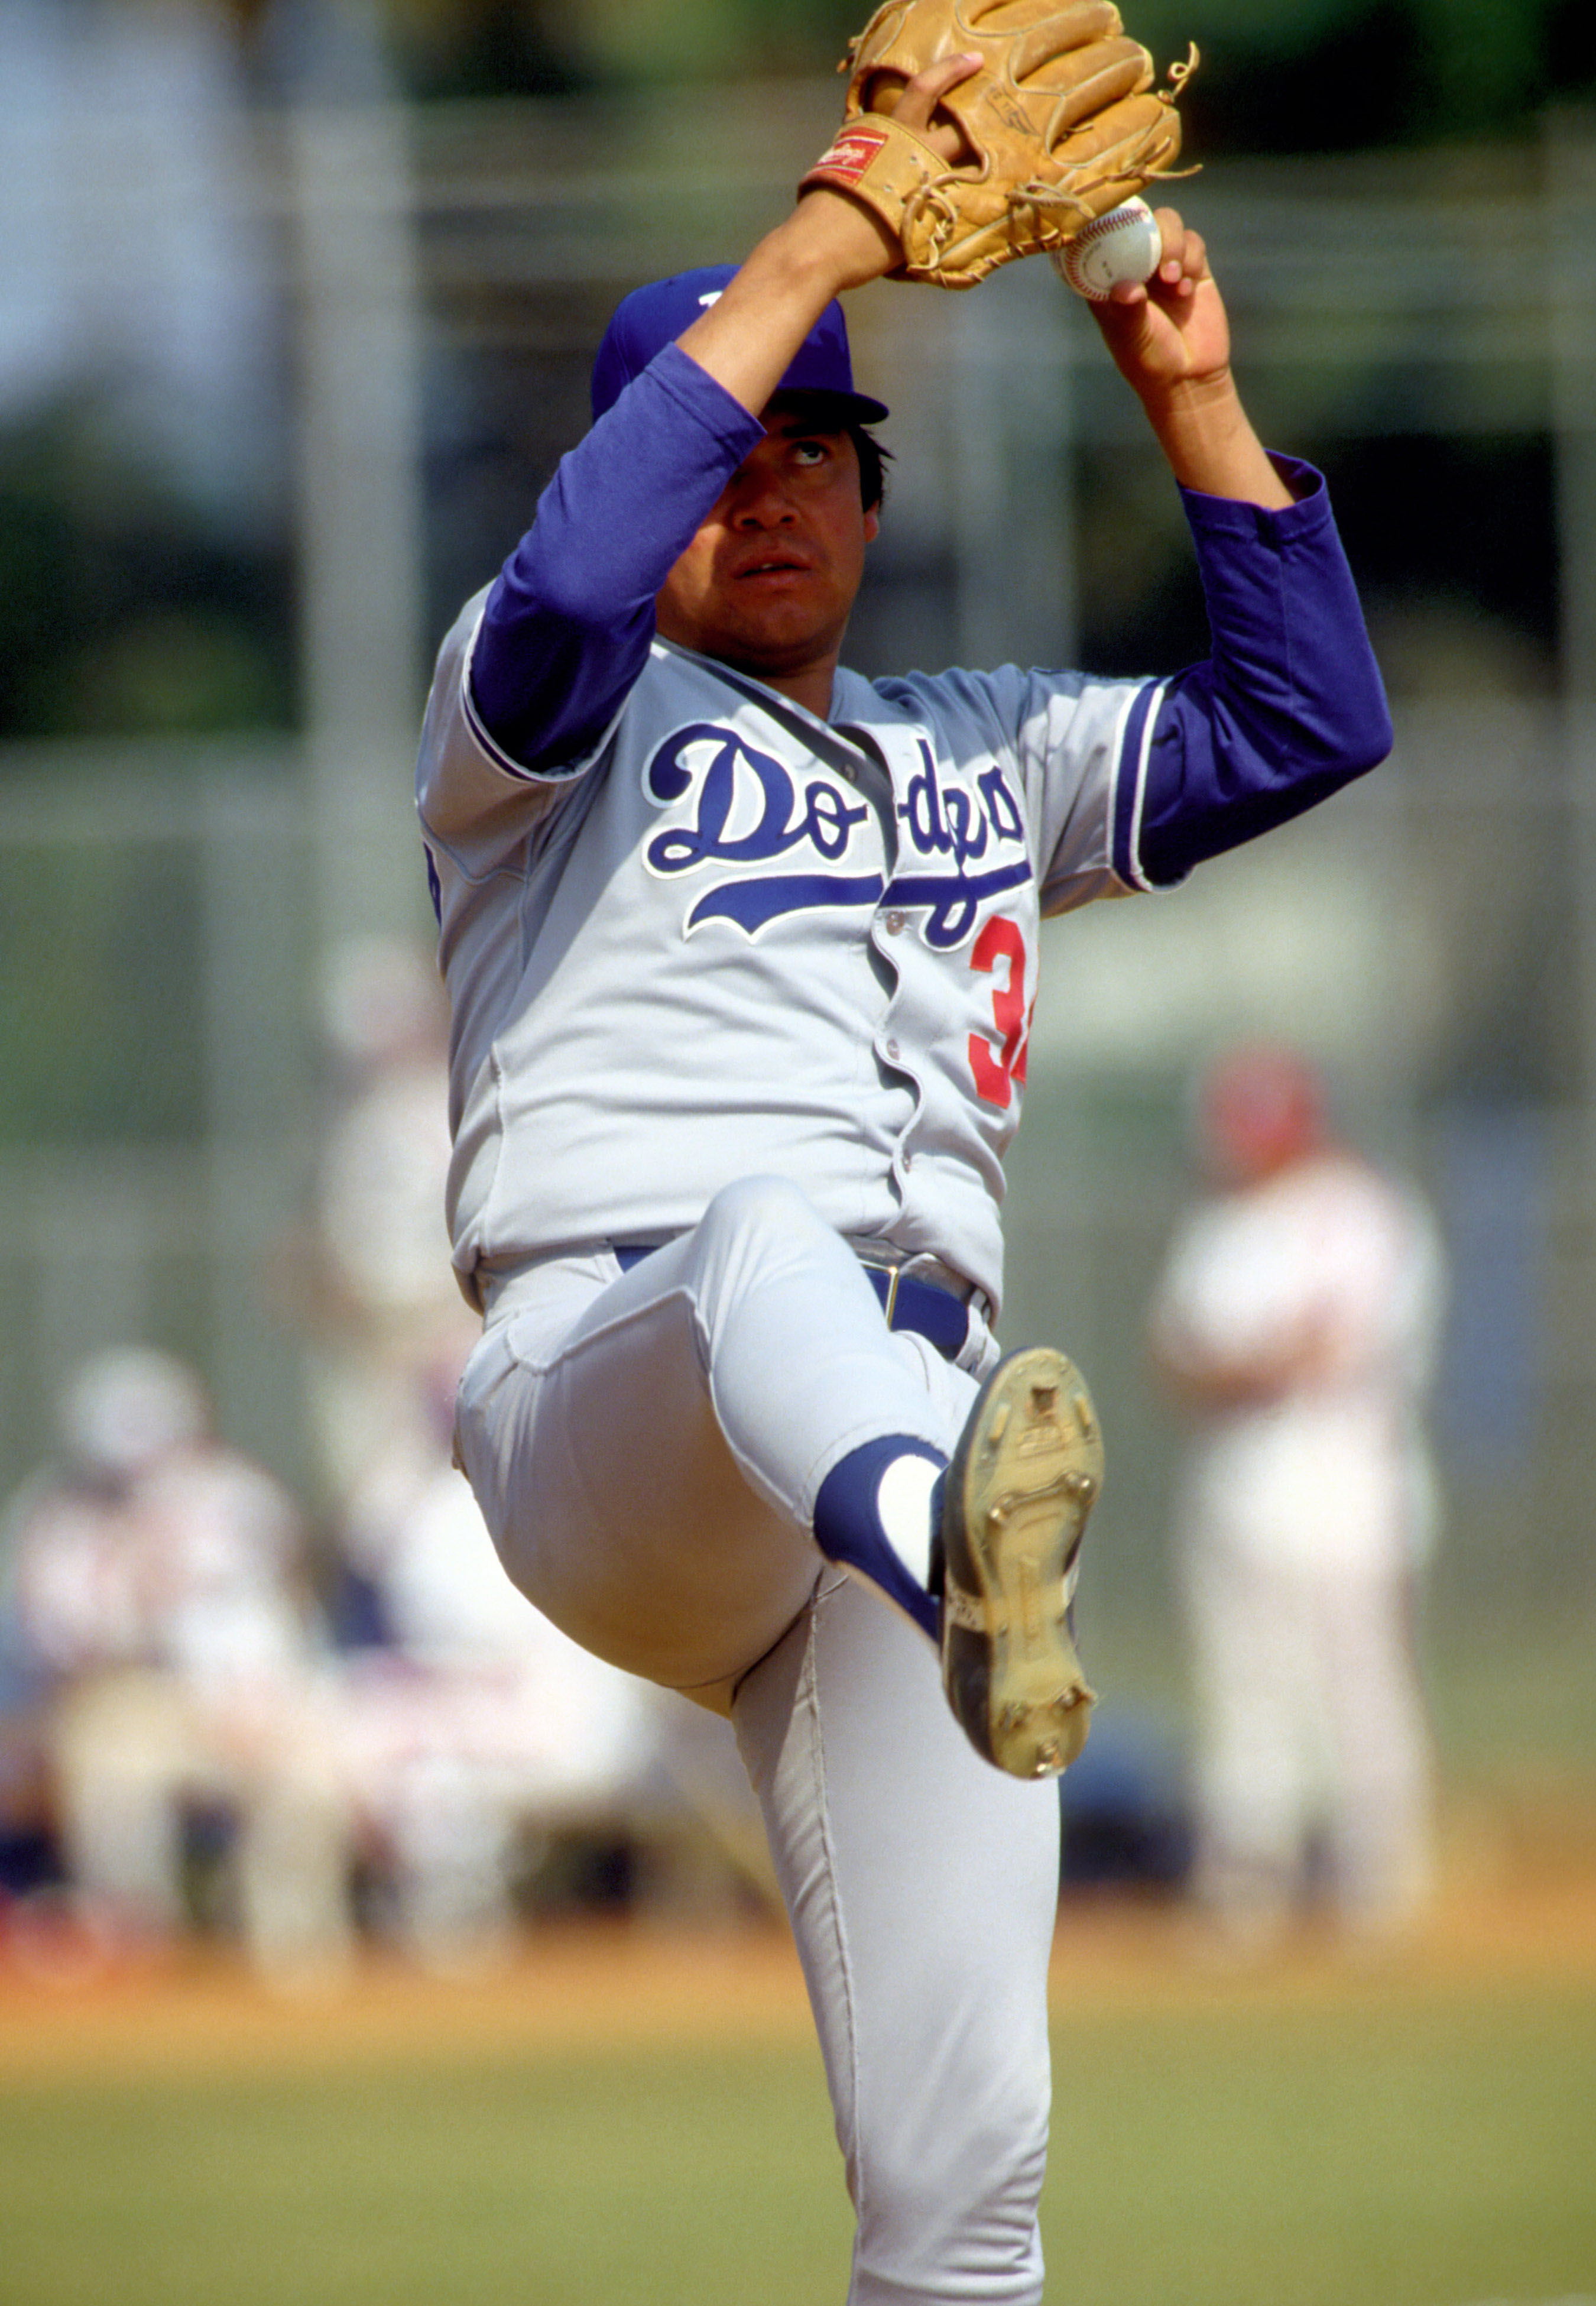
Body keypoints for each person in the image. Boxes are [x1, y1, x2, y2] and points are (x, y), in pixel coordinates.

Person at [416, 56, 1393, 2306]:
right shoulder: (538, 721)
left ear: (871, 497)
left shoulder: (986, 743)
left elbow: (1305, 719)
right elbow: (576, 564)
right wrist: (829, 238)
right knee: (772, 1234)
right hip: (618, 1398)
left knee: (965, 2189)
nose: (769, 499)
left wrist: (1193, 393)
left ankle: (949, 1553)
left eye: (816, 457)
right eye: (722, 456)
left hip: (899, 1491)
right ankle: (945, 1529)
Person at [1149, 1046, 1446, 1950]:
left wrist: (1242, 1361)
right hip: (1234, 1492)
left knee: (1359, 1692)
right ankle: (1246, 1888)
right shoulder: (1221, 1226)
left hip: (1347, 1490)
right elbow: (1176, 1361)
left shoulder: (1362, 1212)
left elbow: (1328, 1349)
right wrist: (1248, 1362)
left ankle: (1380, 1883)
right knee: (1245, 1697)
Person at [5, 1348, 352, 1981]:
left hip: (245, 1696)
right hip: (127, 1700)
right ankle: (138, 1945)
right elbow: (64, 1645)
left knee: (309, 1768)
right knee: (108, 1757)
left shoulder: (240, 1498)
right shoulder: (57, 1518)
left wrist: (250, 1696)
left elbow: (271, 1614)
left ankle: (295, 1955)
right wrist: (140, 1587)